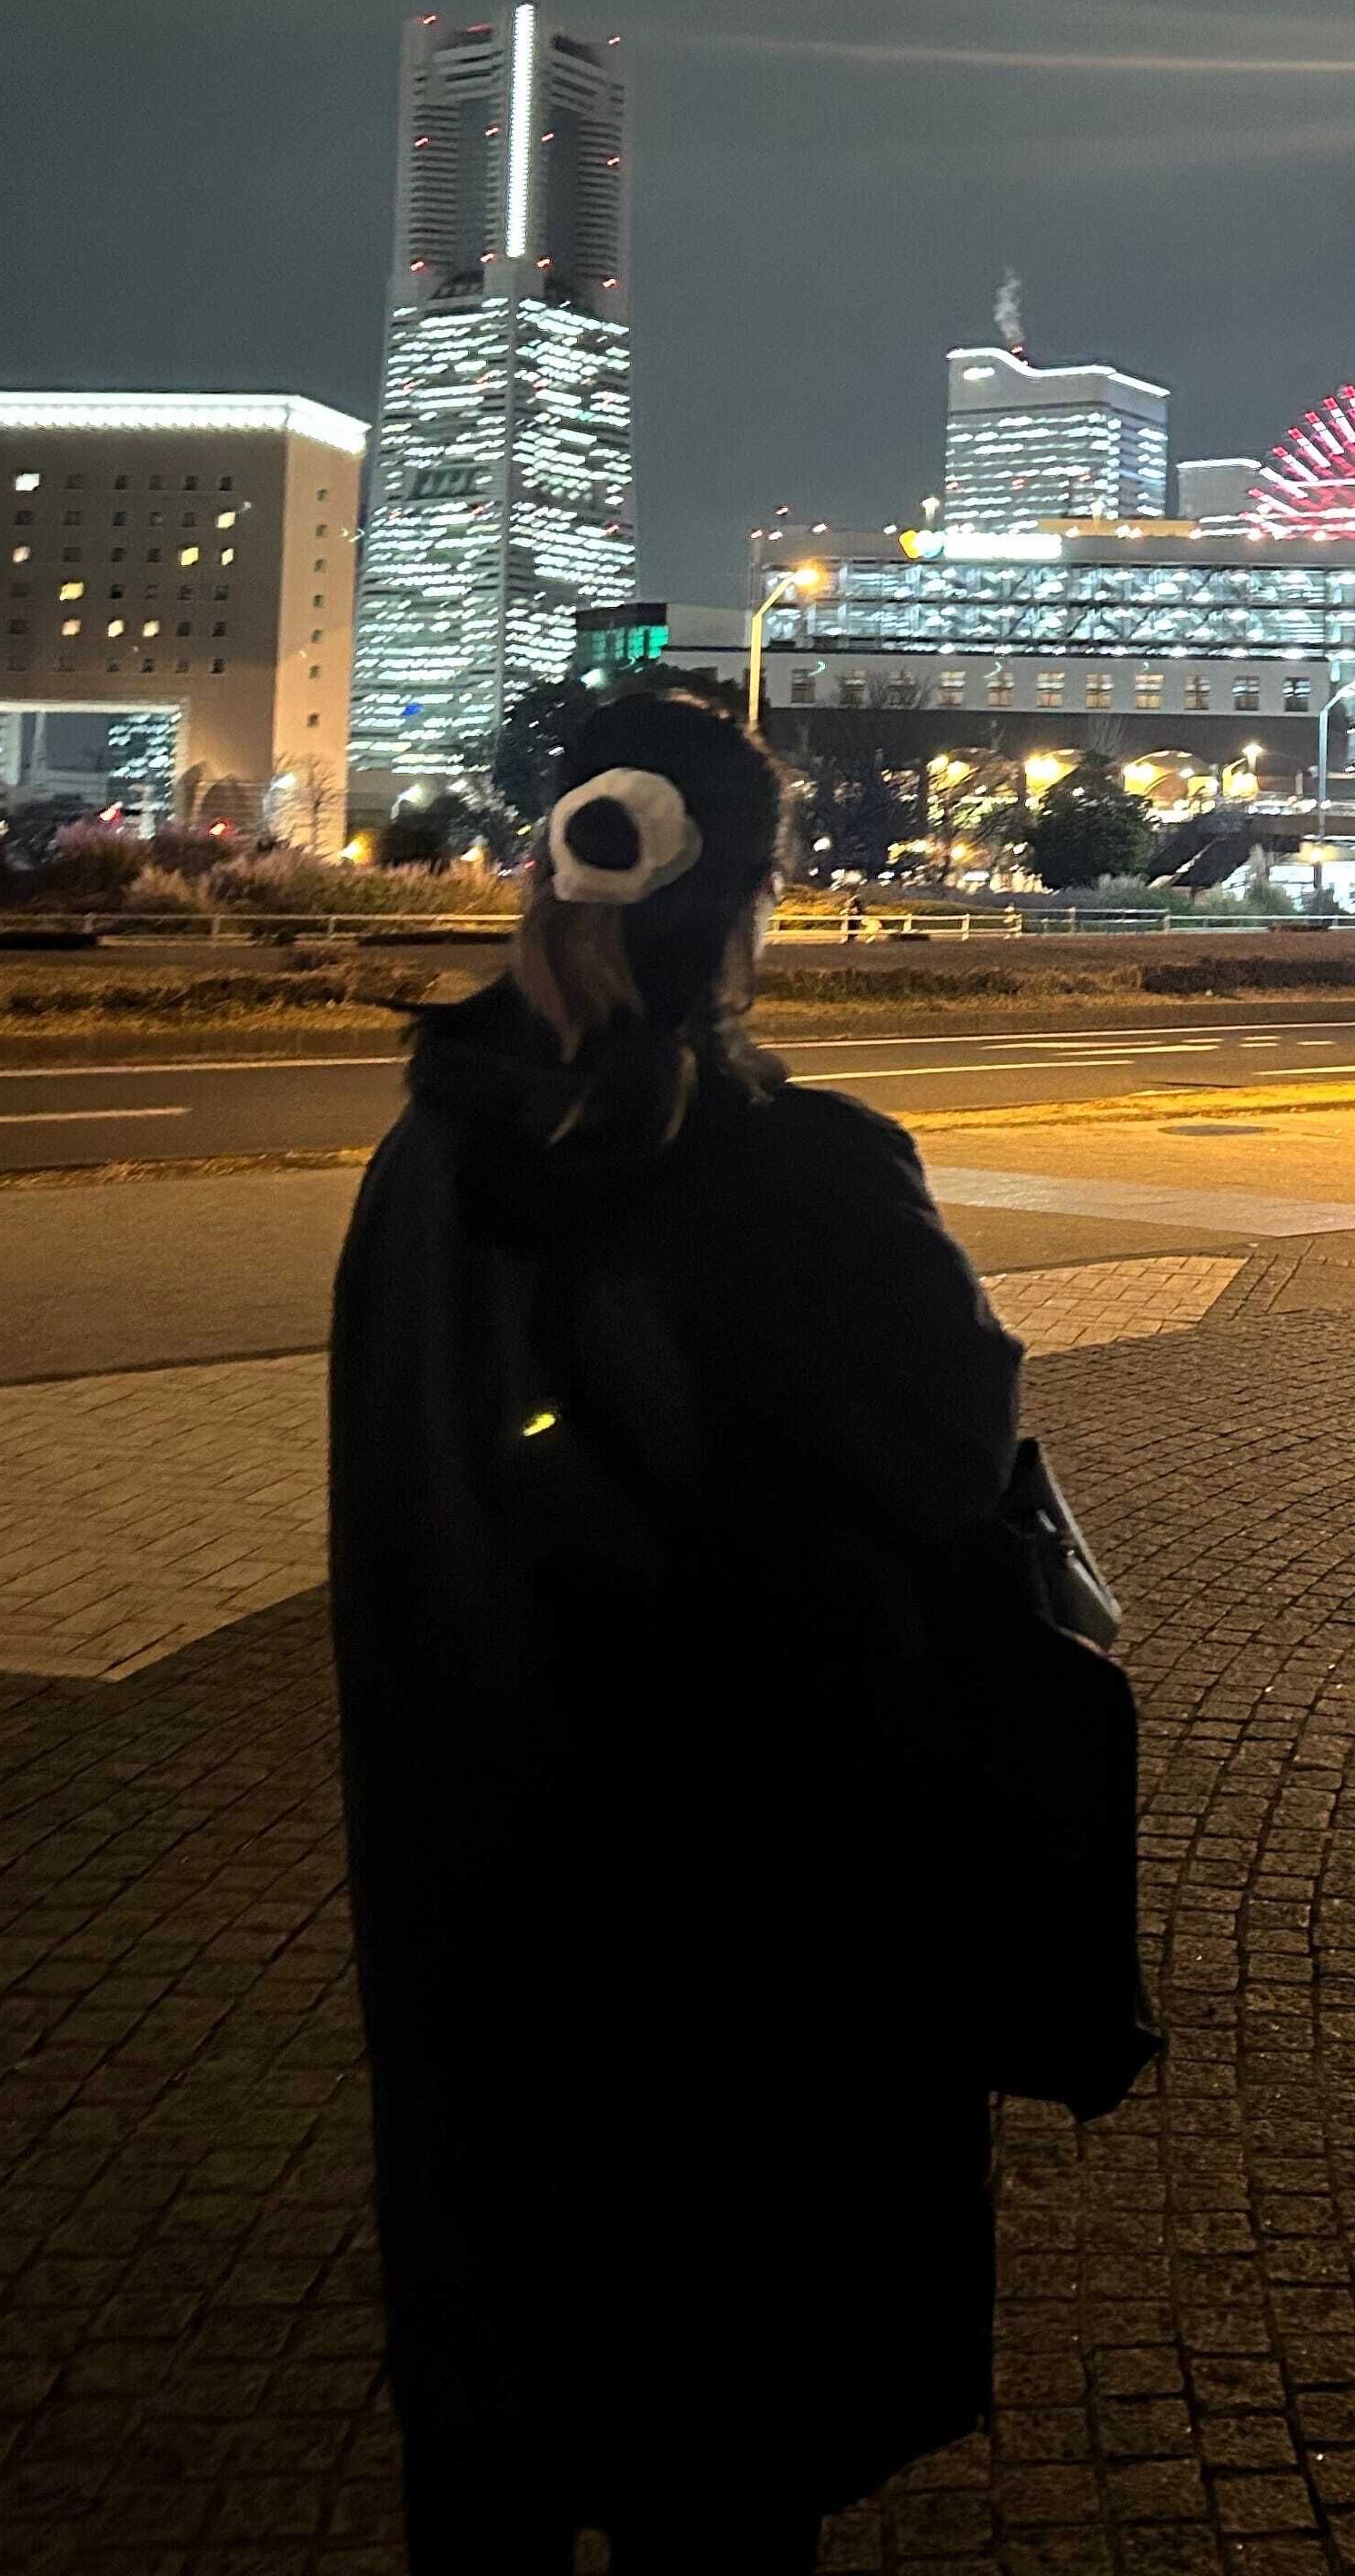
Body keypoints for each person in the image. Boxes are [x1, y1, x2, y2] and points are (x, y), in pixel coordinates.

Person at [332, 690, 1053, 2572]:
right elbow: (951, 1450)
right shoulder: (797, 1165)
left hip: (475, 1869)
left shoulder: (423, 1159)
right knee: (724, 2443)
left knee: (495, 2412)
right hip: (751, 1903)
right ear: (749, 904)